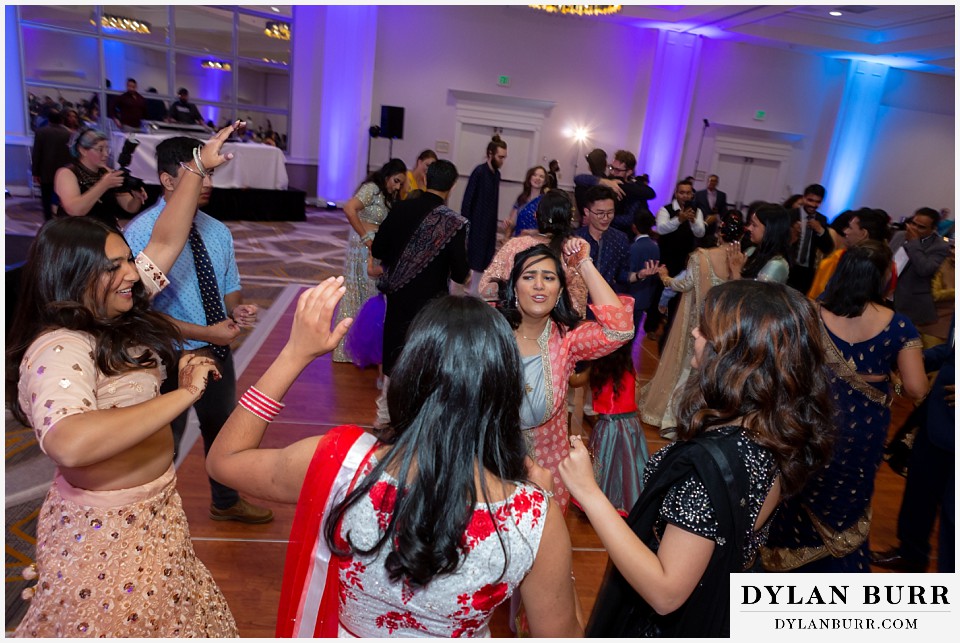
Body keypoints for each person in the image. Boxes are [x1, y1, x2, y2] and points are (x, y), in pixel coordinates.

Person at [206, 286, 584, 638]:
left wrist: (294, 354)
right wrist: (546, 522)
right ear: (505, 392)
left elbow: (224, 461)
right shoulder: (532, 520)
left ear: (407, 376)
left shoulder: (341, 463)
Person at [7, 122, 245, 637]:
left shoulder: (118, 313)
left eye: (128, 263)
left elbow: (166, 237)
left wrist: (199, 167)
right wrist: (183, 395)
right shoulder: (60, 346)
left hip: (155, 509)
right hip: (104, 533)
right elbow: (69, 443)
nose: (133, 274)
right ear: (73, 276)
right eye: (116, 266)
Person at [560, 279, 835, 637]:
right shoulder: (774, 431)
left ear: (738, 356)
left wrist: (589, 492)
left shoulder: (712, 468)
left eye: (705, 329)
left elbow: (665, 591)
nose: (693, 331)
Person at [123, 136, 272, 524]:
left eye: (210, 174)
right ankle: (150, 519)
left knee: (222, 432)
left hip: (216, 351)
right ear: (167, 180)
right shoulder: (142, 235)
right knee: (164, 442)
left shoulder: (217, 230)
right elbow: (139, 315)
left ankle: (225, 501)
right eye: (199, 174)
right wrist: (207, 335)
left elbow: (230, 287)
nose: (207, 184)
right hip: (165, 356)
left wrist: (238, 311)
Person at [762, 241, 928, 572]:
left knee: (797, 490)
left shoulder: (808, 313)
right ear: (882, 277)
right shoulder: (898, 325)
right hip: (863, 431)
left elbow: (784, 370)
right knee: (847, 497)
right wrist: (887, 381)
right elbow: (916, 388)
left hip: (810, 420)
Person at [496, 242, 634, 511]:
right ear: (514, 287)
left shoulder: (567, 339)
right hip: (491, 466)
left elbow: (620, 330)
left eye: (548, 278)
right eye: (528, 277)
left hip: (546, 474)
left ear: (559, 291)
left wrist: (584, 264)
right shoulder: (490, 332)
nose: (539, 285)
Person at [370, 159, 470, 428]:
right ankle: (417, 423)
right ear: (452, 186)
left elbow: (378, 249)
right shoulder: (454, 223)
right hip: (431, 307)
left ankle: (384, 422)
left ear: (425, 180)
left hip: (399, 298)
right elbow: (461, 274)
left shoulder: (402, 208)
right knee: (425, 360)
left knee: (394, 357)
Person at [639, 211, 741, 433]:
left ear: (719, 233)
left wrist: (664, 277)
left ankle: (671, 421)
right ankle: (700, 420)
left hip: (699, 324)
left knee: (688, 367)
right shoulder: (741, 261)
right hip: (724, 326)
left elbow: (683, 285)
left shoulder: (701, 257)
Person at [872, 316, 954, 573]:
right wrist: (915, 359)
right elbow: (951, 349)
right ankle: (912, 553)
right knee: (920, 485)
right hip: (939, 416)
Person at [332, 158, 407, 363]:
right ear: (387, 175)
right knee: (357, 292)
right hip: (362, 247)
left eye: (401, 183)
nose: (397, 186)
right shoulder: (372, 188)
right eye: (396, 180)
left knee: (369, 294)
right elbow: (349, 209)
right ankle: (347, 349)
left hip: (375, 248)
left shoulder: (387, 195)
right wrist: (365, 237)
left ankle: (363, 348)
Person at [481, 189, 589, 318]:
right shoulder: (572, 251)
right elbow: (577, 306)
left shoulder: (515, 245)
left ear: (536, 216)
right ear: (569, 219)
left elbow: (485, 288)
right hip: (555, 327)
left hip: (512, 322)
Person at [587, 339, 648, 516]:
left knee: (605, 462)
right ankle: (629, 496)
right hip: (631, 425)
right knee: (629, 463)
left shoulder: (598, 371)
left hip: (608, 426)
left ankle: (603, 497)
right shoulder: (629, 369)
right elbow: (636, 397)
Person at [54, 127, 147, 231]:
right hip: (77, 235)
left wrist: (137, 197)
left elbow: (130, 207)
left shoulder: (107, 172)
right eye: (100, 149)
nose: (106, 154)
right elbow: (75, 210)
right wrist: (103, 185)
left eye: (108, 149)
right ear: (83, 150)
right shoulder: (66, 173)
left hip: (105, 233)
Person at [890, 207, 951, 330]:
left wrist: (914, 243)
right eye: (913, 223)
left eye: (921, 227)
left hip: (909, 303)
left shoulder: (940, 246)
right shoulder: (900, 235)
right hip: (886, 294)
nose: (914, 228)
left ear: (933, 229)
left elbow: (924, 269)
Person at [462, 135, 507, 293]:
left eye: (504, 157)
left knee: (485, 259)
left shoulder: (496, 175)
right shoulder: (479, 172)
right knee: (474, 259)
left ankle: (475, 291)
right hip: (476, 224)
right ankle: (471, 292)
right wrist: (466, 226)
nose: (502, 160)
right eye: (500, 157)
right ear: (490, 154)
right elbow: (468, 200)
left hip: (488, 224)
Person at [726, 203, 792, 283]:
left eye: (754, 225)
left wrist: (736, 271)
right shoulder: (751, 251)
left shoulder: (776, 265)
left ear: (769, 230)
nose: (749, 228)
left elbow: (754, 295)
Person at [787, 183, 834, 294]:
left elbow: (828, 248)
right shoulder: (790, 215)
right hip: (789, 265)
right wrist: (792, 232)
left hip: (807, 272)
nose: (813, 205)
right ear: (803, 198)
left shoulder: (822, 219)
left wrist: (820, 230)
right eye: (810, 200)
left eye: (817, 202)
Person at [31, 108, 73, 221]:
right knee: (63, 197)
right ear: (61, 120)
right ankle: (62, 220)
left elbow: (37, 153)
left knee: (46, 198)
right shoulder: (68, 133)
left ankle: (48, 220)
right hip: (64, 171)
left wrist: (35, 172)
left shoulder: (41, 132)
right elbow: (71, 154)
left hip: (46, 171)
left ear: (48, 119)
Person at [504, 165, 548, 238]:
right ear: (530, 178)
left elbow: (548, 229)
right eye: (534, 175)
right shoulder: (521, 198)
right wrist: (508, 222)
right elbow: (513, 222)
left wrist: (535, 232)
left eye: (541, 176)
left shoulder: (546, 202)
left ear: (545, 182)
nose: (537, 178)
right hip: (518, 240)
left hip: (535, 243)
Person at [693, 174, 728, 247]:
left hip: (714, 225)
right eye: (711, 180)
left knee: (710, 244)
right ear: (707, 182)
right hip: (701, 222)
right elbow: (694, 207)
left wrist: (719, 218)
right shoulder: (699, 194)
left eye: (714, 181)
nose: (712, 183)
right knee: (698, 243)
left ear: (717, 183)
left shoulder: (722, 195)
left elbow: (723, 210)